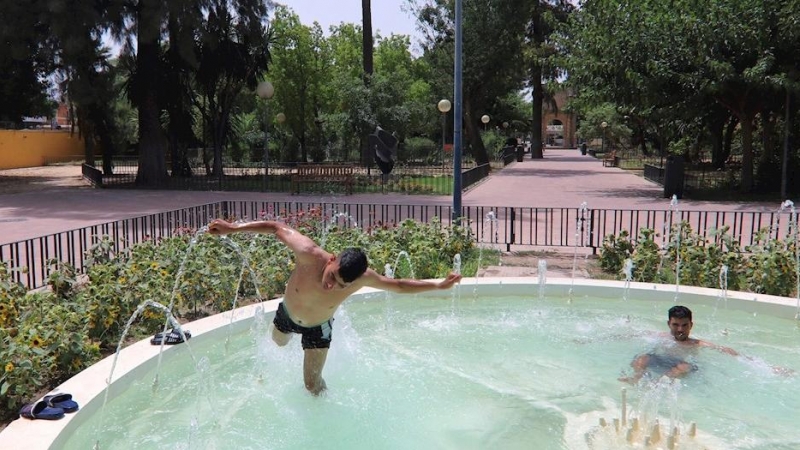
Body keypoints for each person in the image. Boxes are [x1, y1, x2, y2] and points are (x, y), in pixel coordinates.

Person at [208, 218, 462, 395]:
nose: (331, 286)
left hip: (319, 328)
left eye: (341, 285)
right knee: (276, 346)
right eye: (332, 277)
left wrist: (438, 286)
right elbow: (276, 227)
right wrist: (233, 229)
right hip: (287, 314)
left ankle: (324, 419)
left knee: (312, 385)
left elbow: (398, 285)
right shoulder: (308, 252)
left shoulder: (364, 278)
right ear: (331, 260)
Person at [619, 305, 793, 384]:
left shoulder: (697, 343)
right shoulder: (660, 336)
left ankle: (657, 384)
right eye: (676, 325)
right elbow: (630, 335)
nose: (680, 329)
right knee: (642, 357)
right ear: (668, 324)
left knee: (684, 366)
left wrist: (768, 367)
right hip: (660, 360)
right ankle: (637, 377)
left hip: (680, 366)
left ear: (691, 325)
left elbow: (729, 352)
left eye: (684, 325)